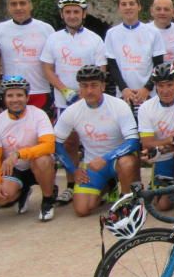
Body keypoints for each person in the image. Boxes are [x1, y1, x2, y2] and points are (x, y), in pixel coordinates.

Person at [40, 0, 107, 205]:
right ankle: (71, 183)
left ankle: (102, 181)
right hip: (64, 99)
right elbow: (47, 68)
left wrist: (85, 92)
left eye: (76, 12)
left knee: (95, 139)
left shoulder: (94, 39)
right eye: (67, 12)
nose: (72, 15)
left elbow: (101, 69)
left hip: (89, 99)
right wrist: (64, 90)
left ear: (84, 14)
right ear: (62, 14)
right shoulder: (53, 39)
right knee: (69, 143)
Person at [53, 65, 140, 217]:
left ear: (103, 86)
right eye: (84, 86)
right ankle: (108, 186)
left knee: (127, 163)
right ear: (79, 88)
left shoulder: (119, 105)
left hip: (117, 161)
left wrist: (106, 158)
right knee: (82, 210)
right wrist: (74, 171)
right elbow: (56, 144)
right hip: (93, 165)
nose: (89, 90)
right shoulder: (72, 111)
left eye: (94, 85)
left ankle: (126, 201)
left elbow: (133, 141)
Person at [0, 76, 57, 221]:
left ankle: (48, 200)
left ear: (27, 97)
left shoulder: (38, 114)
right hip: (15, 168)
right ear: (4, 98)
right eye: (10, 95)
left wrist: (18, 154)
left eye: (19, 95)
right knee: (0, 198)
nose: (15, 99)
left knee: (42, 160)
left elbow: (49, 146)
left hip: (36, 164)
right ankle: (24, 190)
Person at [137, 63, 174, 211]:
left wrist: (163, 147)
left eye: (169, 85)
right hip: (162, 153)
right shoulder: (146, 108)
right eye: (160, 86)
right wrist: (170, 140)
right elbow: (147, 144)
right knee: (163, 206)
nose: (165, 90)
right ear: (155, 87)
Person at [0, 0, 55, 111]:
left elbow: (55, 62)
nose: (18, 8)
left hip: (40, 90)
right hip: (12, 93)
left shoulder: (46, 29)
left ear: (30, 5)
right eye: (13, 4)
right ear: (8, 7)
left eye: (22, 3)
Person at [104, 0, 166, 108]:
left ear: (139, 7)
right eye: (124, 4)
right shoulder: (111, 34)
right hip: (123, 95)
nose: (128, 7)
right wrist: (124, 89)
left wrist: (147, 88)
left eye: (131, 3)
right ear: (119, 8)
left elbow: (158, 65)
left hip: (149, 95)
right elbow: (112, 66)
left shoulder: (153, 33)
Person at [148, 0, 174, 77]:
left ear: (173, 12)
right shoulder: (143, 32)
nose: (162, 12)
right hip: (151, 83)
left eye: (166, 9)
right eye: (158, 9)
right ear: (152, 11)